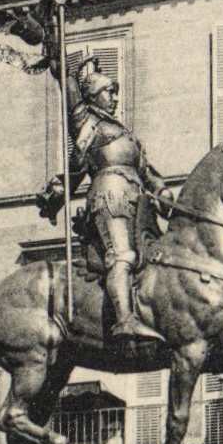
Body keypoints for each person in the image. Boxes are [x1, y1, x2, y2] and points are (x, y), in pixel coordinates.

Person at [37, 57, 173, 343]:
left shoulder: (127, 134)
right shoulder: (87, 123)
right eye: (108, 92)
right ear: (93, 96)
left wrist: (162, 191)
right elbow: (70, 89)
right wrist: (57, 57)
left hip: (139, 200)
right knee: (122, 256)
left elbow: (146, 170)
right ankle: (124, 320)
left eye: (114, 92)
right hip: (110, 195)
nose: (114, 97)